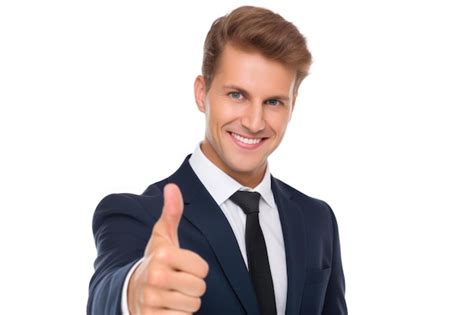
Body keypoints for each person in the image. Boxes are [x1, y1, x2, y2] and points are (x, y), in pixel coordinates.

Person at [88, 5, 347, 315]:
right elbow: (107, 289)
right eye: (237, 95)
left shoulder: (317, 219)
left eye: (274, 102)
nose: (254, 122)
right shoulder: (137, 215)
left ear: (293, 106)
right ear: (202, 93)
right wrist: (133, 291)